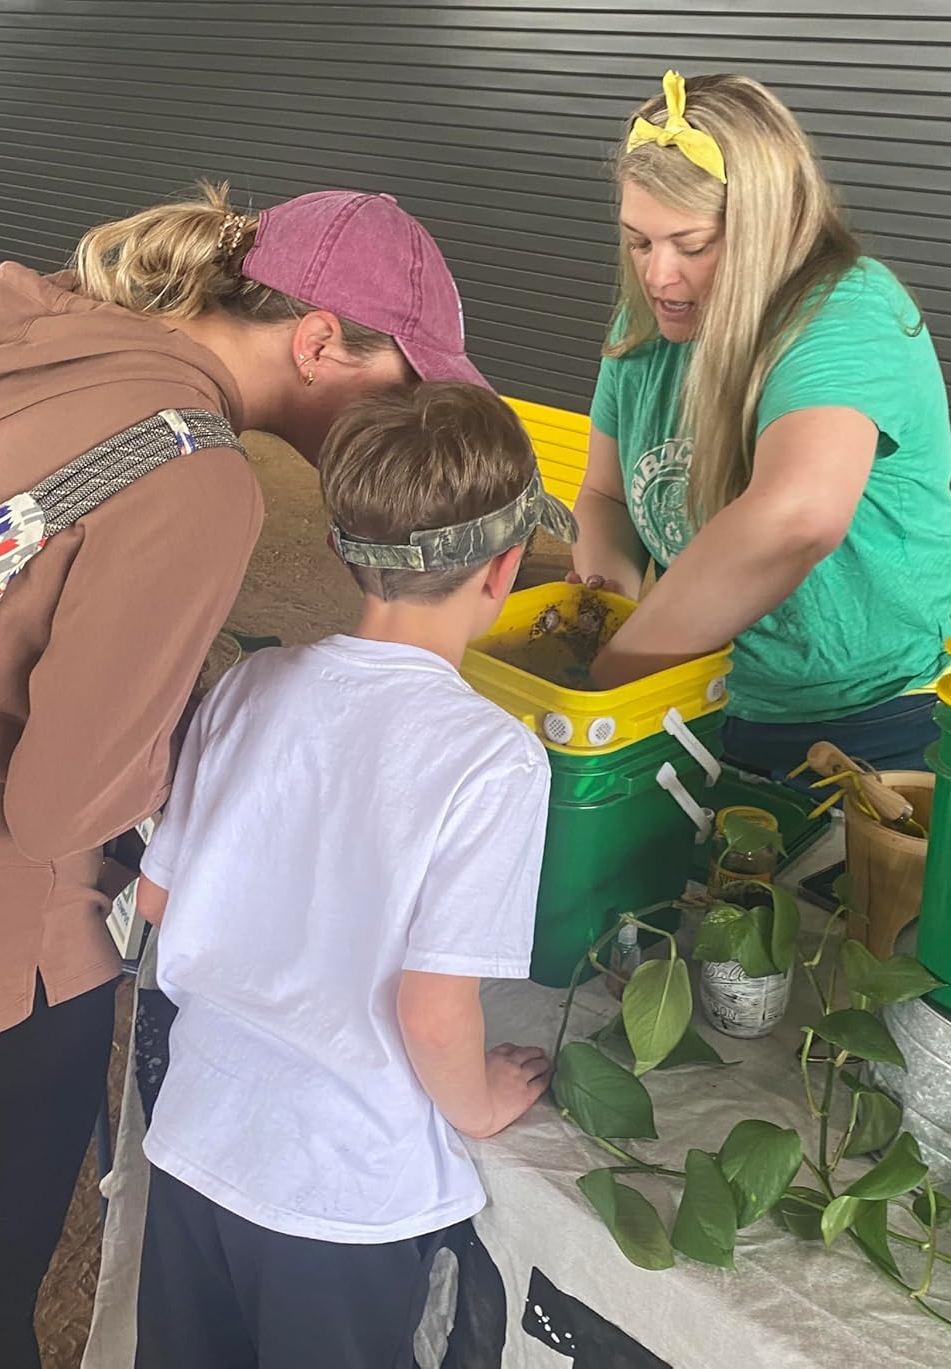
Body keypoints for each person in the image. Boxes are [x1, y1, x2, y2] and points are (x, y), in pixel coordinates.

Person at [0, 182, 488, 1369]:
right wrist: (206, 729)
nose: (405, 418)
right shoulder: (194, 473)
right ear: (318, 340)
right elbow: (61, 801)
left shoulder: (27, 345)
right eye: (402, 385)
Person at [130, 382, 569, 1369]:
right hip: (341, 1196)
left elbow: (156, 899)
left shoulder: (251, 683)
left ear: (339, 550)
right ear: (505, 569)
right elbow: (432, 1010)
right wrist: (480, 1105)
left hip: (198, 1143)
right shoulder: (492, 758)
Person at [572, 71, 951, 779]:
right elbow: (607, 496)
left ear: (766, 230)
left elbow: (794, 517)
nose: (659, 276)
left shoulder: (848, 312)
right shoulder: (645, 327)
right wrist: (608, 610)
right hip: (712, 697)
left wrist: (616, 675)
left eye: (691, 244)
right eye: (638, 243)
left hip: (890, 710)